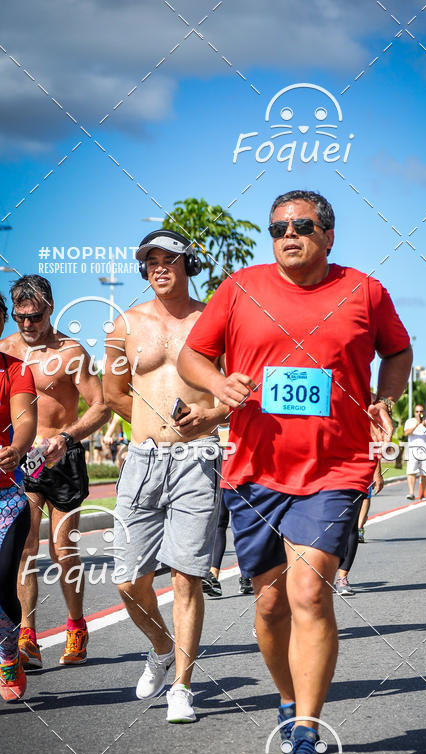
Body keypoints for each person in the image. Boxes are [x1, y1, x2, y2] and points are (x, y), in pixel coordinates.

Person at [178, 189, 412, 754]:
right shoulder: (239, 289)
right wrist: (218, 384)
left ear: (328, 235)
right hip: (256, 471)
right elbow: (191, 356)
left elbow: (399, 351)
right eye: (279, 226)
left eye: (303, 225)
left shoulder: (363, 291)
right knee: (269, 604)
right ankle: (286, 697)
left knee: (310, 591)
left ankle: (307, 729)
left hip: (336, 467)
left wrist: (384, 399)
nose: (289, 234)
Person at [103, 229, 226, 724]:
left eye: (169, 259)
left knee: (187, 576)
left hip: (198, 459)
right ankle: (160, 647)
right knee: (129, 580)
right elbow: (112, 393)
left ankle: (181, 686)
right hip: (143, 459)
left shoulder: (213, 318)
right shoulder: (124, 325)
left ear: (186, 264)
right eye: (150, 260)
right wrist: (152, 426)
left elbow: (235, 391)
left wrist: (210, 418)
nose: (159, 267)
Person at [0, 276, 110, 669]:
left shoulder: (70, 351)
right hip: (21, 462)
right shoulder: (5, 350)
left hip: (62, 458)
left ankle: (76, 627)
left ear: (50, 309)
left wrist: (66, 436)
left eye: (35, 317)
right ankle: (27, 636)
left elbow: (101, 407)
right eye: (20, 317)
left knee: (62, 550)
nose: (27, 325)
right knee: (24, 550)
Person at [0, 294, 37, 701]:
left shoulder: (15, 369)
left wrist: (18, 447)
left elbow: (24, 420)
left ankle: (8, 651)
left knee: (1, 583)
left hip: (5, 497)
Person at [334, 463, 383, 594]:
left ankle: (342, 578)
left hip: (354, 476)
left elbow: (372, 444)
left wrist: (376, 472)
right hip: (326, 474)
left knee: (351, 525)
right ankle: (320, 577)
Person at [203, 496, 253, 597]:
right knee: (223, 521)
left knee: (231, 522)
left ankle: (245, 574)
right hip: (227, 482)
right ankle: (214, 576)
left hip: (236, 482)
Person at [404, 404, 426, 500]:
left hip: (425, 449)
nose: (419, 413)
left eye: (421, 411)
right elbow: (406, 433)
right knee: (411, 470)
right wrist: (416, 424)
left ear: (424, 412)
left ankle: (422, 493)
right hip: (413, 449)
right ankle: (411, 492)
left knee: (425, 472)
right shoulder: (410, 421)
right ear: (414, 412)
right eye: (417, 411)